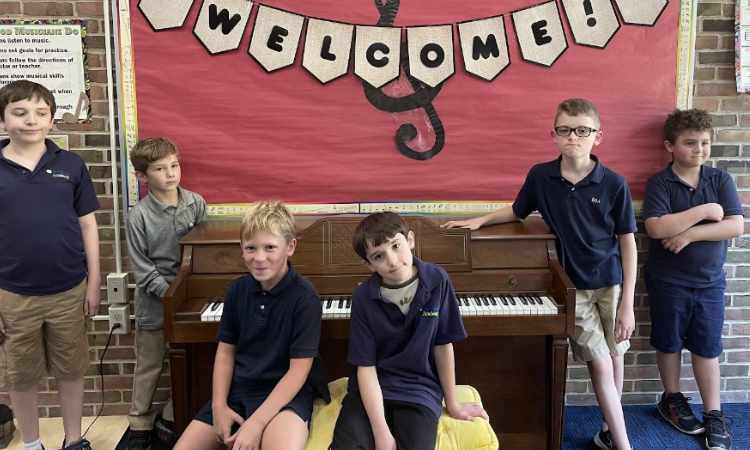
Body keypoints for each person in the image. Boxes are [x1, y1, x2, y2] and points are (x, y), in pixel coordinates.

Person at [443, 98, 637, 450]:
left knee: (616, 354)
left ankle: (611, 429)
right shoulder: (541, 176)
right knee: (602, 366)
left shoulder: (614, 183)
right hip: (572, 287)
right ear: (554, 135)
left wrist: (629, 304)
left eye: (582, 131)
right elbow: (517, 211)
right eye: (565, 131)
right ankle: (624, 444)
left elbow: (628, 243)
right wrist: (480, 221)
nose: (573, 138)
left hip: (611, 283)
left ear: (598, 137)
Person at [330, 211, 488, 450]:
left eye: (396, 246)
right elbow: (366, 367)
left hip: (419, 389)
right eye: (379, 256)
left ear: (410, 240)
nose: (392, 261)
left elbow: (443, 345)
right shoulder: (363, 296)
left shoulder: (437, 280)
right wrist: (381, 431)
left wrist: (453, 403)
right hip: (372, 390)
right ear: (369, 265)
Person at [0, 80, 100, 450]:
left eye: (41, 113)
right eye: (20, 112)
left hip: (68, 289)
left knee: (71, 370)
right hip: (13, 293)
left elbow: (88, 225)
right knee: (21, 375)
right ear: (3, 119)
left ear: (52, 120)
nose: (31, 121)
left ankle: (73, 440)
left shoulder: (70, 165)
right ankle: (31, 443)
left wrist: (94, 284)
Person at [173, 200, 322, 450]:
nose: (259, 258)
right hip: (239, 390)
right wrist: (219, 406)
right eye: (251, 248)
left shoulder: (305, 298)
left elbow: (298, 371)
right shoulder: (236, 290)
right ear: (241, 249)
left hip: (284, 397)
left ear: (290, 247)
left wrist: (256, 424)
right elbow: (225, 351)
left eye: (270, 247)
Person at [642, 109, 742, 450]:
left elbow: (735, 226)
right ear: (670, 146)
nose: (699, 149)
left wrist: (688, 235)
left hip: (710, 282)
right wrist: (703, 212)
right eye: (690, 143)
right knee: (668, 342)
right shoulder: (660, 183)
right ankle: (671, 399)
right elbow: (656, 228)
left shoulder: (720, 181)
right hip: (668, 281)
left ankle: (713, 413)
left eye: (704, 143)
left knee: (707, 346)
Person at [125, 137, 208, 450]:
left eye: (174, 165)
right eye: (160, 169)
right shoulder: (139, 216)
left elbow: (203, 252)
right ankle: (139, 424)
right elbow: (142, 268)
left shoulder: (196, 204)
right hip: (154, 303)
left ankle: (176, 415)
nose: (171, 173)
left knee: (187, 359)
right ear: (143, 177)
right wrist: (170, 292)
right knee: (149, 364)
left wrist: (187, 293)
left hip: (189, 298)